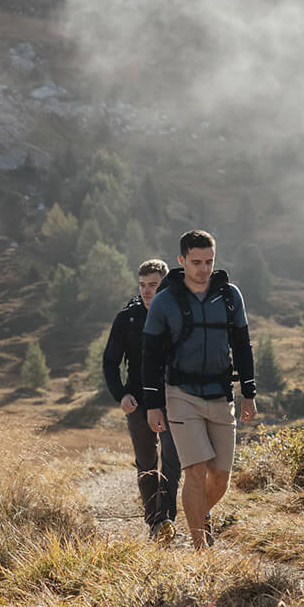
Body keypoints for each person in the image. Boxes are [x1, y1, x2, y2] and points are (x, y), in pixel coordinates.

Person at [140, 230, 257, 549]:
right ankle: (200, 549)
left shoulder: (231, 296)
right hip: (181, 395)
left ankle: (196, 515)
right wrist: (153, 403)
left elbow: (242, 345)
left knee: (220, 478)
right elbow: (150, 356)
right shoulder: (165, 301)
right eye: (196, 262)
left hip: (221, 395)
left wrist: (249, 392)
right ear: (181, 261)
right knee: (195, 469)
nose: (204, 269)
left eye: (209, 262)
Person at [101, 258, 179, 540]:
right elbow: (110, 362)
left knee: (173, 459)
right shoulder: (127, 318)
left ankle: (166, 519)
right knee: (146, 463)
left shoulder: (177, 314)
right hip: (138, 403)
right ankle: (154, 522)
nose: (147, 291)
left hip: (173, 399)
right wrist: (121, 395)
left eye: (154, 285)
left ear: (165, 285)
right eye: (143, 285)